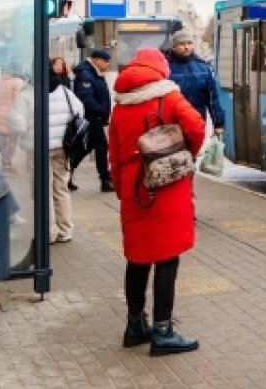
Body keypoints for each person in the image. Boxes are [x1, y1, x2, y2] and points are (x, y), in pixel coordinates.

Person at [109, 47, 206, 356]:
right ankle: (163, 331)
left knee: (137, 259)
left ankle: (135, 325)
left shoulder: (120, 105)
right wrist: (186, 152)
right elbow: (196, 127)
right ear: (160, 69)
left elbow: (113, 154)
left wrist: (123, 191)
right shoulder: (168, 97)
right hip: (167, 188)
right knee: (167, 257)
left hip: (134, 192)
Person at [48, 65, 85, 243]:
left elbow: (17, 121)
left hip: (39, 149)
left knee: (44, 191)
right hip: (63, 147)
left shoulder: (30, 93)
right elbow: (79, 111)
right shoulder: (64, 91)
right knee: (61, 188)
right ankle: (66, 229)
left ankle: (50, 231)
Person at [165, 30, 225, 137]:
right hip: (172, 125)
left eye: (189, 43)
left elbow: (212, 98)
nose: (186, 47)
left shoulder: (202, 67)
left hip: (196, 122)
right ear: (173, 47)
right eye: (182, 44)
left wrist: (218, 124)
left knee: (195, 153)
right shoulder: (165, 67)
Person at [74, 48, 114, 192]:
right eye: (105, 61)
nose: (108, 64)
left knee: (88, 146)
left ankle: (69, 169)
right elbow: (86, 98)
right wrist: (102, 110)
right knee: (101, 146)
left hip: (95, 116)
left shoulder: (94, 73)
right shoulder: (87, 74)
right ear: (96, 60)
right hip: (92, 117)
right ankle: (105, 179)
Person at [0, 65, 26, 172]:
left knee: (4, 140)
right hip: (11, 116)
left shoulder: (0, 81)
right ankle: (7, 166)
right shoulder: (17, 82)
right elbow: (19, 101)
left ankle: (4, 164)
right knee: (11, 141)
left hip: (0, 114)